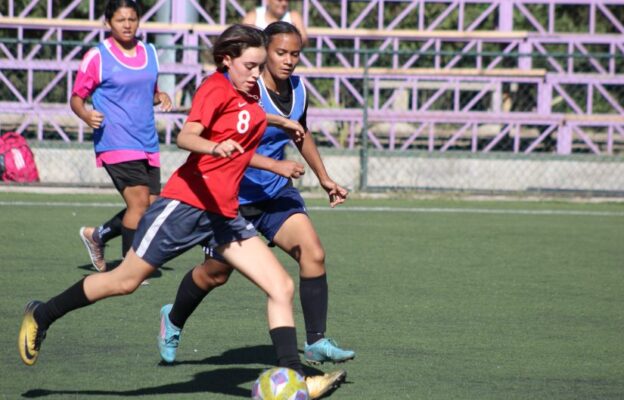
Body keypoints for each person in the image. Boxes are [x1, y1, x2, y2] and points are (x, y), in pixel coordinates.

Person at [18, 23, 344, 399]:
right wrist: (212, 148)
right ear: (228, 60)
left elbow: (242, 133)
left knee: (280, 285)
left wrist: (278, 153)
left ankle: (293, 379)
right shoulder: (214, 87)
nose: (258, 74)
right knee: (124, 281)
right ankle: (41, 315)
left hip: (224, 214)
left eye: (259, 66)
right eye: (251, 66)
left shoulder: (248, 92)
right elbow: (186, 136)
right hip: (187, 205)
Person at [158, 21, 355, 369]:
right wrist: (273, 165)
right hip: (233, 198)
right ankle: (173, 319)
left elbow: (301, 133)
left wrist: (325, 178)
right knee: (214, 274)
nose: (290, 60)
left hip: (275, 195)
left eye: (295, 54)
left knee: (313, 253)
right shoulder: (243, 89)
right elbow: (224, 143)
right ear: (264, 53)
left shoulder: (298, 89)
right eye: (281, 53)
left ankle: (316, 341)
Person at [71, 0, 172, 272]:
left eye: (132, 19)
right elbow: (77, 98)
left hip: (147, 140)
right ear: (108, 23)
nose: (127, 25)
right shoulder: (98, 56)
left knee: (150, 206)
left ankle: (97, 236)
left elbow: (146, 93)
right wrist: (85, 115)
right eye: (120, 20)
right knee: (139, 203)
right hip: (115, 139)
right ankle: (130, 267)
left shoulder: (149, 51)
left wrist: (160, 96)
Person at [242, 0, 308, 45]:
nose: (284, 3)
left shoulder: (293, 16)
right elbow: (243, 37)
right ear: (268, 1)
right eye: (279, 0)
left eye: (287, 0)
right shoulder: (254, 16)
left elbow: (303, 40)